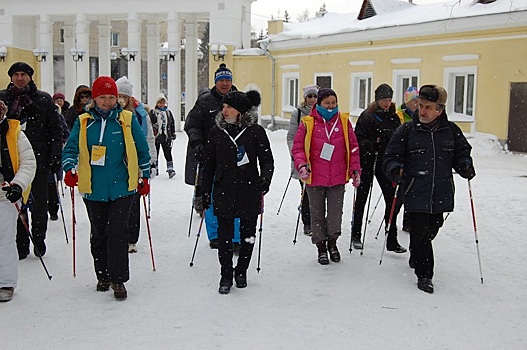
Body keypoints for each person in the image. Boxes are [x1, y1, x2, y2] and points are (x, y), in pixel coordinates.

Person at [62, 76, 151, 300]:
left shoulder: (126, 119)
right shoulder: (83, 121)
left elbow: (142, 150)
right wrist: (70, 168)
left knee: (117, 232)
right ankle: (103, 274)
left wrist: (145, 175)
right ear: (95, 98)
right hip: (93, 187)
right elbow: (71, 149)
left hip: (123, 185)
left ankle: (119, 279)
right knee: (99, 232)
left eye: (112, 97)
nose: (108, 102)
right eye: (103, 97)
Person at [384, 84, 475, 294]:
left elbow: (462, 152)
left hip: (441, 191)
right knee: (421, 232)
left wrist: (464, 165)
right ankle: (425, 275)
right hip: (415, 189)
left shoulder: (451, 131)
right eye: (420, 106)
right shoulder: (407, 130)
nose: (422, 111)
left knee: (432, 228)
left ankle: (417, 251)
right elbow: (391, 156)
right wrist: (395, 168)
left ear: (439, 110)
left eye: (427, 107)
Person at [201, 90, 274, 294]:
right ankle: (225, 274)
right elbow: (208, 165)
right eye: (223, 107)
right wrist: (203, 190)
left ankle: (241, 269)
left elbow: (267, 160)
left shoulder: (255, 131)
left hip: (249, 188)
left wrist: (264, 181)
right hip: (224, 189)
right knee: (224, 236)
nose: (224, 110)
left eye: (229, 107)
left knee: (247, 235)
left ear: (240, 111)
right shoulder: (216, 132)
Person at [0, 62, 63, 259]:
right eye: (16, 74)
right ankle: (21, 241)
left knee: (39, 203)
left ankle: (38, 237)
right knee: (16, 201)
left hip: (39, 158)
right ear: (11, 77)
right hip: (12, 159)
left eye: (24, 74)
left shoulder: (42, 100)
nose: (20, 78)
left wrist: (54, 155)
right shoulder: (3, 99)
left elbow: (55, 129)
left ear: (30, 77)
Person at [292, 88, 361, 265]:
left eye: (333, 103)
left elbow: (353, 147)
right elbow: (298, 147)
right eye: (327, 103)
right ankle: (321, 246)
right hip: (314, 177)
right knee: (317, 214)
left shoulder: (344, 122)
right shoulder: (308, 123)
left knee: (335, 215)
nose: (330, 106)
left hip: (337, 177)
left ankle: (333, 243)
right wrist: (301, 164)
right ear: (319, 104)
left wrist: (355, 169)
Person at [184, 63, 240, 249]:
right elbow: (192, 125)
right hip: (211, 156)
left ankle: (236, 235)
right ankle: (215, 235)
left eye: (227, 80)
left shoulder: (240, 100)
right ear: (215, 82)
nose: (225, 83)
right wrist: (197, 144)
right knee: (212, 195)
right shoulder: (205, 101)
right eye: (221, 80)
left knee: (236, 195)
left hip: (235, 157)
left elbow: (250, 125)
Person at [351, 83, 407, 253]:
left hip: (386, 164)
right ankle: (356, 234)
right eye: (384, 99)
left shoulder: (393, 117)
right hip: (368, 161)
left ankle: (391, 238)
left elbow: (399, 138)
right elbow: (358, 138)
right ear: (377, 100)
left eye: (389, 99)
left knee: (392, 200)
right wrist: (370, 145)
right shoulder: (367, 116)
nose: (387, 103)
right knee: (362, 197)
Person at [115, 76, 157, 253]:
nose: (121, 100)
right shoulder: (111, 113)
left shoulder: (140, 115)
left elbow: (148, 139)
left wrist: (151, 162)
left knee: (133, 202)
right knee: (118, 203)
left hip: (135, 164)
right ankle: (119, 235)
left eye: (124, 96)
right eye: (119, 95)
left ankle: (132, 238)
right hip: (116, 163)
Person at [0, 100, 36, 302]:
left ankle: (6, 282)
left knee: (4, 239)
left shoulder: (15, 134)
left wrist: (17, 185)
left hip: (6, 195)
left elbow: (28, 163)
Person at [286, 84, 318, 236]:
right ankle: (307, 222)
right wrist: (296, 155)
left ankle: (316, 219)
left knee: (316, 191)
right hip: (303, 159)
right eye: (310, 96)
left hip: (318, 159)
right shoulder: (298, 113)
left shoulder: (322, 112)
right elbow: (291, 137)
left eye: (315, 96)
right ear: (305, 98)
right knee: (306, 190)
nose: (312, 99)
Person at [396, 86, 419, 233]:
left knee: (412, 191)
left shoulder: (420, 116)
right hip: (402, 158)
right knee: (400, 194)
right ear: (407, 102)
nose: (416, 104)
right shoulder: (399, 115)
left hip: (415, 159)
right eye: (413, 101)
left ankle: (408, 221)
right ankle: (391, 220)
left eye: (418, 101)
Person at [149, 94, 177, 178]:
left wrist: (172, 133)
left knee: (168, 153)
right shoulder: (153, 112)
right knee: (155, 152)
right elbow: (150, 123)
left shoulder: (168, 113)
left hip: (166, 136)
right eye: (160, 103)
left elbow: (172, 123)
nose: (161, 104)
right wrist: (154, 126)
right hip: (156, 136)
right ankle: (155, 168)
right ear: (157, 103)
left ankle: (170, 169)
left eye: (163, 102)